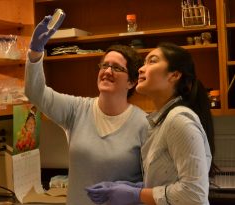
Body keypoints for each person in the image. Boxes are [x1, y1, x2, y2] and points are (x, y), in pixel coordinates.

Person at [24, 14, 148, 205]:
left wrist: (133, 191)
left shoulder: (144, 124)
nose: (107, 72)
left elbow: (154, 183)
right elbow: (36, 93)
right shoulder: (77, 110)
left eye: (117, 68)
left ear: (131, 82)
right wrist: (35, 52)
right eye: (104, 65)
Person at [86, 42, 215, 205]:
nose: (141, 69)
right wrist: (132, 187)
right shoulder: (162, 121)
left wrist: (136, 194)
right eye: (144, 62)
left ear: (174, 75)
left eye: (152, 61)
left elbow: (194, 195)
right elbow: (169, 181)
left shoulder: (179, 120)